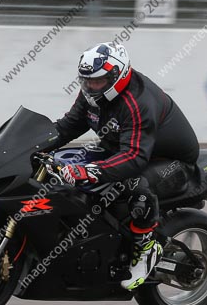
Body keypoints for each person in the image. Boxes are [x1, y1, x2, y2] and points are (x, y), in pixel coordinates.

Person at [54, 42, 199, 290]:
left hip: (169, 161)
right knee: (66, 161)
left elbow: (134, 158)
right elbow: (67, 127)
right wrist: (31, 144)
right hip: (126, 148)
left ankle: (146, 249)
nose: (90, 86)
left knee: (134, 184)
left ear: (117, 76)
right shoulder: (92, 93)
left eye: (98, 81)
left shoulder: (137, 102)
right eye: (86, 80)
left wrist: (92, 171)